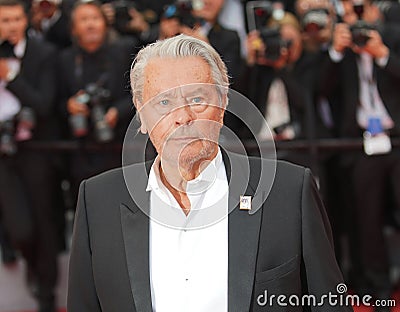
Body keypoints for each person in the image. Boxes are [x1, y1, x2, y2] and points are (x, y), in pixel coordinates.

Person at [67, 34, 353, 311]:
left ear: (223, 102)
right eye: (163, 103)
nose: (182, 117)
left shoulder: (288, 192)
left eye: (195, 99)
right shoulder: (97, 201)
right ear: (141, 114)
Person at [319, 0, 400, 304]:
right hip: (360, 145)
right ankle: (378, 293)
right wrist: (337, 52)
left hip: (397, 141)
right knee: (367, 223)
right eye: (351, 14)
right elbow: (320, 91)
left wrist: (382, 55)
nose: (359, 24)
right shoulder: (339, 51)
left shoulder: (392, 36)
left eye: (362, 11)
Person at [0, 0, 58, 311]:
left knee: (44, 223)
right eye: (4, 19)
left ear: (25, 20)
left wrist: (10, 77)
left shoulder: (43, 53)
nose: (10, 25)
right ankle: (32, 269)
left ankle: (46, 294)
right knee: (20, 227)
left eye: (15, 18)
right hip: (3, 156)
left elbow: (44, 104)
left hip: (37, 151)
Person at [57, 0, 137, 201]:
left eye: (95, 18)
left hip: (121, 146)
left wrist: (117, 112)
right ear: (74, 28)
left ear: (105, 23)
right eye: (84, 20)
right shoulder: (65, 59)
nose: (90, 25)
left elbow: (139, 94)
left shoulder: (123, 51)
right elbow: (54, 102)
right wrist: (69, 106)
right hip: (81, 150)